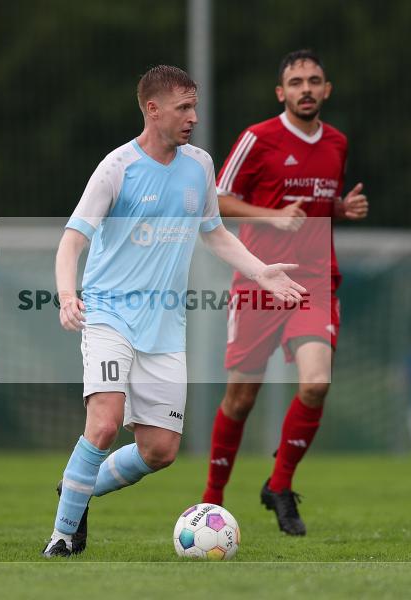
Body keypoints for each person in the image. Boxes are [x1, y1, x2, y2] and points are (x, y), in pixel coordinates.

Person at [43, 65, 306, 557]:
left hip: (165, 326)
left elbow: (214, 232)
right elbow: (71, 241)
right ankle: (61, 536)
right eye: (184, 107)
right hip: (109, 316)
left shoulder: (199, 165)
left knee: (160, 451)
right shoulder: (116, 167)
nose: (194, 117)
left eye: (195, 106)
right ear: (153, 109)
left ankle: (74, 491)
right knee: (103, 424)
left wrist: (261, 272)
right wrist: (66, 295)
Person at [200, 50, 369, 536]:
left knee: (316, 384)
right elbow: (218, 200)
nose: (306, 89)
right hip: (260, 281)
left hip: (314, 282)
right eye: (296, 82)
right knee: (240, 398)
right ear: (282, 93)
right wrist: (268, 215)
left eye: (314, 80)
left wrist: (340, 208)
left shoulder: (336, 142)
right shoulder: (258, 139)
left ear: (327, 89)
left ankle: (280, 485)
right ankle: (211, 502)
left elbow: (314, 206)